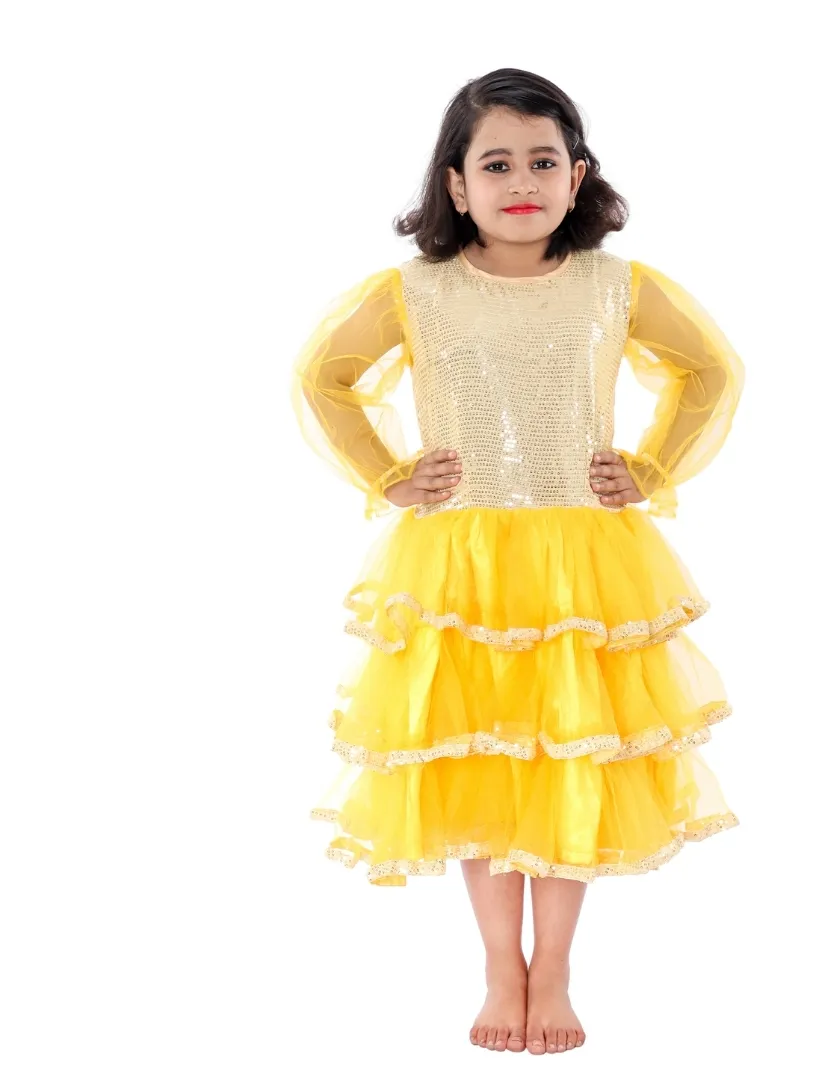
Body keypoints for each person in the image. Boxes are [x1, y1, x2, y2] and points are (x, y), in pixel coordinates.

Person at [290, 67, 746, 1056]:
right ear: (456, 184)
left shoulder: (614, 287)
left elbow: (711, 371)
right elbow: (323, 377)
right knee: (483, 759)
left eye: (544, 161)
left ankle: (559, 966)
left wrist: (652, 465)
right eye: (496, 164)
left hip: (584, 560)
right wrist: (390, 474)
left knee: (570, 754)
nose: (522, 181)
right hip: (460, 565)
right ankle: (503, 965)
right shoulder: (418, 292)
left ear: (577, 177)